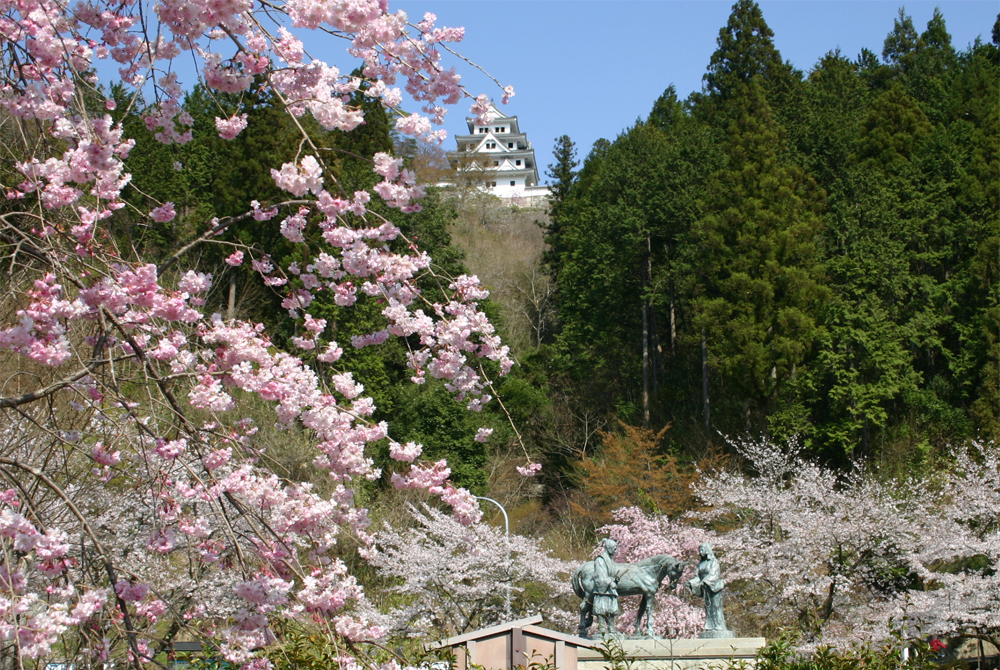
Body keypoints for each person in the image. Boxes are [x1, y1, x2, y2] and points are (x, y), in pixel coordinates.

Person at [688, 542, 729, 635]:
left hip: (713, 587)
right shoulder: (701, 564)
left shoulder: (713, 562)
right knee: (708, 607)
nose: (700, 552)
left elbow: (714, 574)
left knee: (716, 606)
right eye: (700, 550)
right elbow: (698, 576)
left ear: (707, 550)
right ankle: (710, 625)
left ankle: (719, 625)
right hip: (705, 587)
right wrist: (691, 582)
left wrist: (705, 581)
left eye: (702, 550)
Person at [591, 538, 619, 635]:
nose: (616, 551)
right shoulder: (600, 559)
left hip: (610, 589)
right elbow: (600, 574)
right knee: (601, 609)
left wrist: (615, 579)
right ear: (609, 548)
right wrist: (610, 582)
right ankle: (602, 628)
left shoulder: (610, 560)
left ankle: (611, 628)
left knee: (612, 610)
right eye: (614, 549)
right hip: (603, 588)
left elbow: (611, 574)